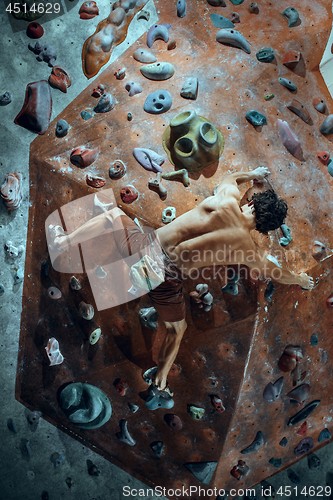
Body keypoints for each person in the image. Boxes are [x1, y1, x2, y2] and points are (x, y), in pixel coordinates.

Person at [49, 166, 314, 403]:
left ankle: (65, 241)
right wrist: (300, 279)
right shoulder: (247, 249)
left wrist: (252, 175)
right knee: (177, 329)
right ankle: (161, 378)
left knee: (112, 217)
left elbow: (231, 177)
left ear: (251, 201)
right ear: (263, 230)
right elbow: (276, 271)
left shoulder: (226, 198)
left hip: (146, 249)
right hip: (165, 278)